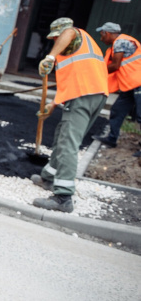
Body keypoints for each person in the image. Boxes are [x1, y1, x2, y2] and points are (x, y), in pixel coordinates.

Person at [30, 17, 109, 213]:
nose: (55, 42)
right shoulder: (79, 48)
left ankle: (63, 197)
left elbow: (70, 31)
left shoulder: (73, 35)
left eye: (55, 38)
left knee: (68, 144)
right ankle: (48, 177)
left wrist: (49, 57)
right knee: (62, 135)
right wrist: (53, 103)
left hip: (84, 96)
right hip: (91, 94)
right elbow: (74, 78)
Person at [92, 22, 141, 150]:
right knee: (117, 110)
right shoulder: (119, 43)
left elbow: (115, 65)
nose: (101, 38)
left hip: (138, 83)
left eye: (102, 35)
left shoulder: (120, 42)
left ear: (106, 33)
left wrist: (95, 74)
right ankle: (111, 139)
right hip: (130, 84)